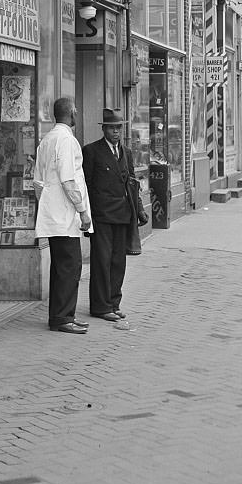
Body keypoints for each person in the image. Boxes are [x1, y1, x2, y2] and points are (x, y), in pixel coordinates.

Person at [33, 97, 92, 335]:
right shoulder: (66, 140)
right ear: (71, 113)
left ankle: (61, 315)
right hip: (66, 216)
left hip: (54, 214)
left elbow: (37, 181)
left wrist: (46, 205)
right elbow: (69, 180)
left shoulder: (47, 140)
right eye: (76, 111)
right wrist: (83, 211)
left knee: (60, 267)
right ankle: (62, 317)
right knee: (70, 266)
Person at [82, 108, 136, 323]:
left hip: (123, 214)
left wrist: (138, 210)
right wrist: (86, 214)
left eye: (118, 128)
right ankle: (100, 306)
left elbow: (132, 183)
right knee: (101, 261)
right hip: (101, 215)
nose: (116, 132)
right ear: (103, 129)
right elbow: (86, 184)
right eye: (112, 128)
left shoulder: (127, 152)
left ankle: (114, 302)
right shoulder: (92, 151)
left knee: (117, 262)